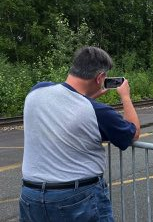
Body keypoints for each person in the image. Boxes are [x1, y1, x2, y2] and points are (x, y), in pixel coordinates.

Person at [19, 46, 141, 221]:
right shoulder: (98, 111)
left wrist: (88, 97)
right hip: (76, 197)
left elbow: (64, 104)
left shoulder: (37, 91)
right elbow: (133, 132)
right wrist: (126, 97)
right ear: (100, 78)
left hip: (31, 195)